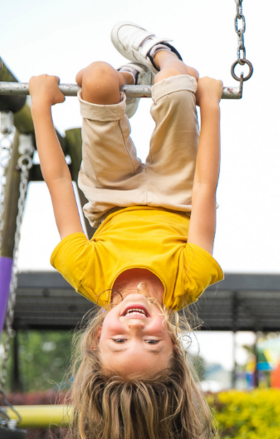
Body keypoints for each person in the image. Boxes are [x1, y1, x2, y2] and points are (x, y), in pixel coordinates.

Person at [29, 22, 223, 439]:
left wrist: (40, 106)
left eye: (119, 342)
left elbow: (59, 182)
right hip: (177, 191)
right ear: (174, 345)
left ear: (97, 337)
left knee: (97, 78)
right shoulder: (188, 279)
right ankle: (159, 54)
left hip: (111, 193)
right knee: (177, 81)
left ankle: (125, 82)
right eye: (150, 343)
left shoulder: (87, 273)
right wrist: (210, 108)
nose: (135, 329)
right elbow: (205, 188)